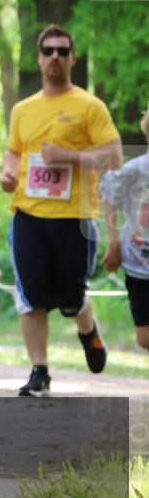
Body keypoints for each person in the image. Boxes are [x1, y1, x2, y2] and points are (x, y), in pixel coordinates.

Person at [0, 24, 122, 396]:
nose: (55, 57)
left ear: (72, 59)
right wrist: (7, 172)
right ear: (39, 58)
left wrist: (69, 157)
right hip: (29, 214)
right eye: (48, 51)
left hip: (76, 218)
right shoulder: (23, 109)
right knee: (31, 295)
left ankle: (87, 328)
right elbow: (14, 151)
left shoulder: (89, 107)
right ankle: (40, 371)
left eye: (62, 51)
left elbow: (114, 156)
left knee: (71, 298)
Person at [99, 105, 149, 352]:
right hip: (139, 262)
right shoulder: (137, 168)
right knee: (144, 338)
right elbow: (108, 192)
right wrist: (114, 242)